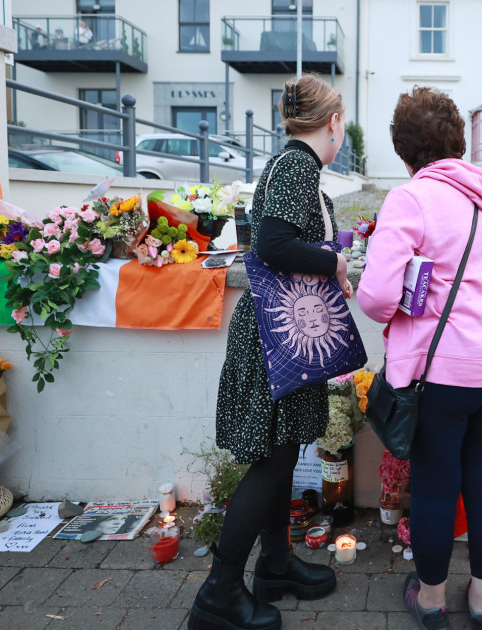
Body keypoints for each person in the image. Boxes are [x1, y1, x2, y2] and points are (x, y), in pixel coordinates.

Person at [357, 87, 482, 630]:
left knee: (437, 484)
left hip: (446, 373)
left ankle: (432, 601)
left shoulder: (410, 198)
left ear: (405, 150)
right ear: (457, 140)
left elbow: (374, 296)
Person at [190, 74, 350, 630]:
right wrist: (335, 264)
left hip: (281, 334)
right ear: (333, 122)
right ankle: (219, 592)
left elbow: (284, 242)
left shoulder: (296, 167)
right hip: (272, 340)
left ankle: (275, 568)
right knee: (271, 462)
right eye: (342, 123)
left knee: (282, 454)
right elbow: (273, 244)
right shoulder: (296, 168)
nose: (342, 133)